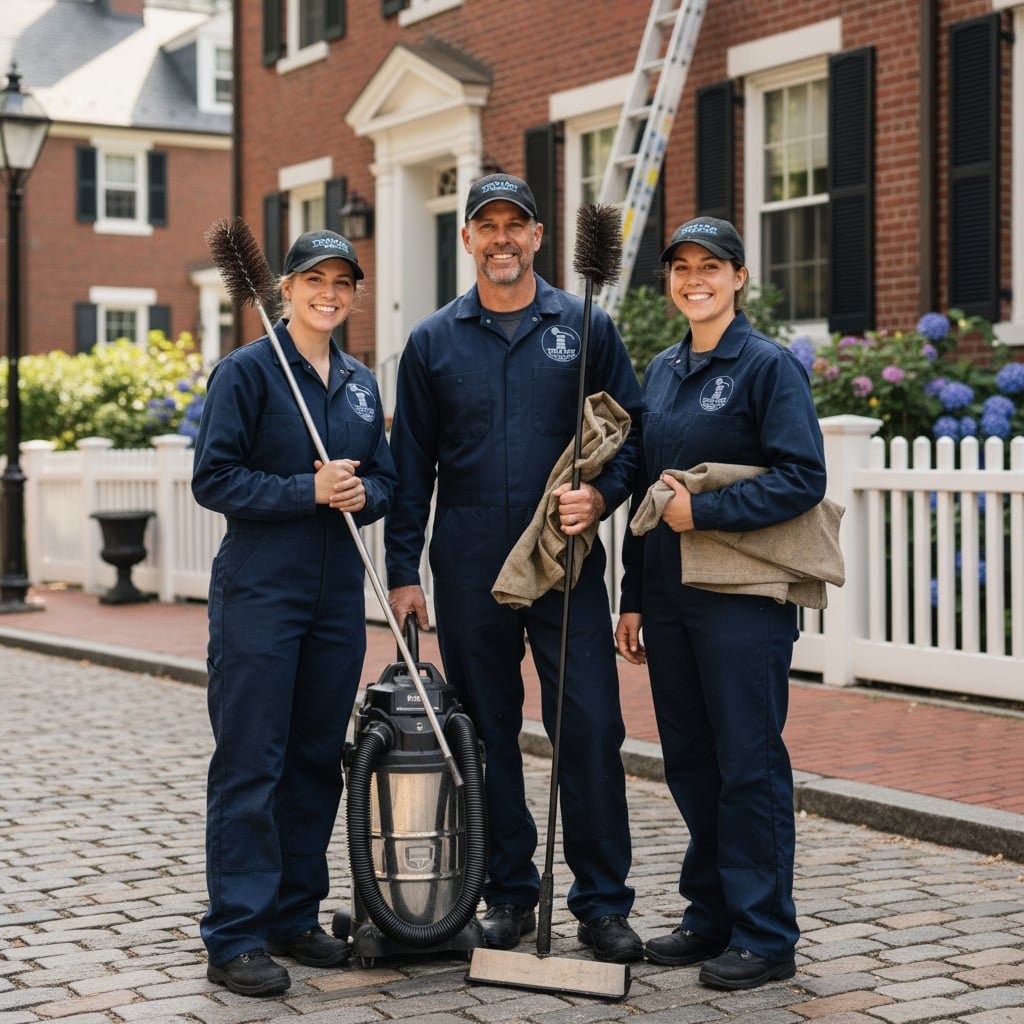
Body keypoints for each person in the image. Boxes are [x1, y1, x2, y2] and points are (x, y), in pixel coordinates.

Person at [384, 173, 644, 964]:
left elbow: (633, 435)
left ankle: (602, 903)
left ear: (537, 236)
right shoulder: (432, 341)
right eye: (487, 225)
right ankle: (507, 892)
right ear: (466, 238)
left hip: (565, 560)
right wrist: (403, 573)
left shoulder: (585, 325)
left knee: (590, 727)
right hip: (469, 564)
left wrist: (601, 496)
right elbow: (410, 468)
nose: (502, 238)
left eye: (515, 225)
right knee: (484, 732)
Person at [615, 217, 827, 990]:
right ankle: (711, 915)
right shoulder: (663, 369)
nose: (694, 279)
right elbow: (647, 491)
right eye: (682, 267)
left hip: (742, 601)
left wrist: (703, 512)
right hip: (670, 597)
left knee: (748, 763)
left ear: (739, 277)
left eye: (711, 266)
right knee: (692, 762)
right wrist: (633, 597)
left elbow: (803, 478)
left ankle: (766, 935)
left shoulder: (768, 366)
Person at [192, 230, 397, 996]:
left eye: (343, 282)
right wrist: (303, 490)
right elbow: (213, 478)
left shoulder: (360, 383)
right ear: (287, 287)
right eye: (315, 279)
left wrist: (361, 492)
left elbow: (386, 480)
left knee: (314, 760)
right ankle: (236, 935)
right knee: (252, 763)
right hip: (260, 592)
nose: (329, 293)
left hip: (336, 597)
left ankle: (293, 915)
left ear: (354, 293)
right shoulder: (247, 371)